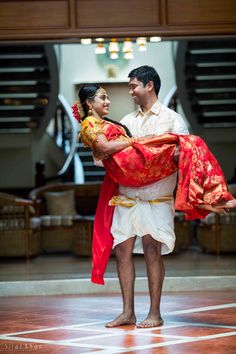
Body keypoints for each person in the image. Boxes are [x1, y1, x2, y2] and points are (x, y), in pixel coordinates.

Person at [72, 70, 236, 328]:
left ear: (149, 86)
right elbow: (105, 157)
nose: (130, 91)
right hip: (126, 197)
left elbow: (186, 159)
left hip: (157, 197)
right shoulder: (124, 121)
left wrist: (156, 154)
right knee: (122, 252)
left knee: (152, 251)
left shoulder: (172, 119)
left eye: (133, 86)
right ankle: (128, 312)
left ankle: (155, 313)